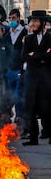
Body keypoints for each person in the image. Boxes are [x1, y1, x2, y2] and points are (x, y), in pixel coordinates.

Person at [21, 10, 51, 146]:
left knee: (46, 108)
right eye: (32, 21)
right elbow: (24, 56)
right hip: (31, 77)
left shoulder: (50, 37)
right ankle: (33, 138)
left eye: (36, 21)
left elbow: (50, 57)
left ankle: (49, 133)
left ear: (43, 23)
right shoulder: (28, 39)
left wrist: (35, 55)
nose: (33, 24)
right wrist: (41, 55)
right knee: (30, 107)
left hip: (45, 78)